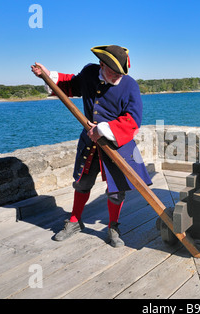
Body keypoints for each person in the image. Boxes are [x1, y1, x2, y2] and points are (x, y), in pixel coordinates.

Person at [31, 45, 152, 247]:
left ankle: (113, 227)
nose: (117, 77)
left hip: (117, 145)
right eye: (113, 72)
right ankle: (75, 221)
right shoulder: (89, 73)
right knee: (82, 183)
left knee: (116, 191)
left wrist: (103, 130)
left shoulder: (130, 85)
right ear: (101, 65)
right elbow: (70, 84)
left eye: (120, 73)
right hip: (90, 143)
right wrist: (47, 74)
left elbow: (133, 121)